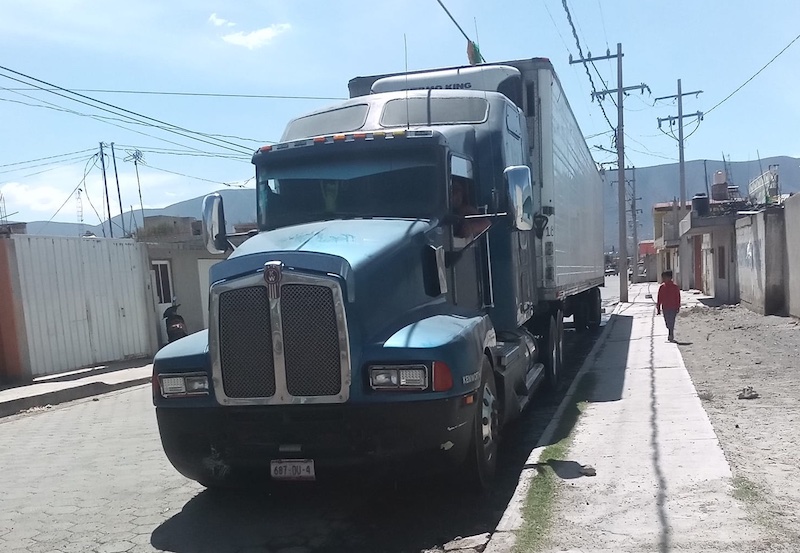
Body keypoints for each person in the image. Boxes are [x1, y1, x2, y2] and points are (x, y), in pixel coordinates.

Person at [656, 270, 681, 342]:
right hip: (665, 307)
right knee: (667, 322)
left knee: (672, 321)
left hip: (673, 307)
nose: (664, 279)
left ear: (670, 278)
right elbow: (659, 298)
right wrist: (658, 308)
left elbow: (678, 297)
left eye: (665, 277)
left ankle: (671, 333)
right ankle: (670, 329)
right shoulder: (662, 287)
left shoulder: (675, 287)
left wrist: (678, 306)